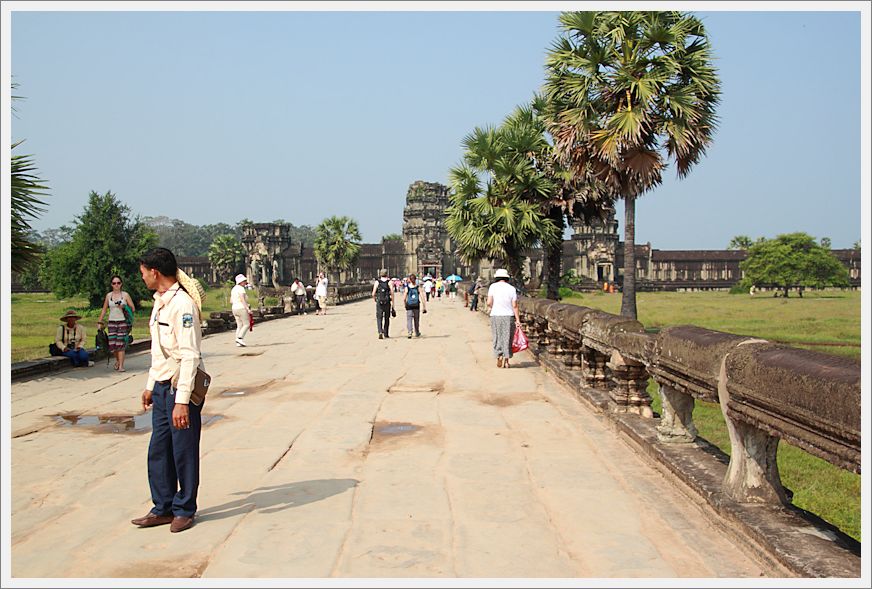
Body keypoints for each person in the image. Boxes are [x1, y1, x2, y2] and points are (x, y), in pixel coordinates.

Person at [131, 247, 205, 534]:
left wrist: (182, 402)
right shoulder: (160, 302)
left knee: (183, 450)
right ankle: (162, 506)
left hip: (178, 388)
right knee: (159, 449)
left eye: (143, 273)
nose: (142, 278)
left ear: (155, 272)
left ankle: (185, 508)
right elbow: (159, 351)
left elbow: (190, 355)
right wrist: (150, 385)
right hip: (162, 388)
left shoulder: (182, 305)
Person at [97, 275, 136, 371]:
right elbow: (104, 309)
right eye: (114, 283)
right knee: (112, 345)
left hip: (122, 322)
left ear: (121, 284)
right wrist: (100, 321)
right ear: (111, 285)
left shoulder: (125, 295)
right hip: (112, 322)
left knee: (121, 344)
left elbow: (133, 308)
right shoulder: (109, 296)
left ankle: (121, 366)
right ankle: (118, 361)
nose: (116, 285)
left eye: (118, 283)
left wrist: (124, 307)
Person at [487, 268, 522, 368]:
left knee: (497, 337)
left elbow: (489, 302)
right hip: (509, 316)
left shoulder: (493, 287)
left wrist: (492, 306)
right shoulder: (511, 288)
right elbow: (515, 305)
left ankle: (499, 356)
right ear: (507, 278)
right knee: (507, 338)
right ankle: (506, 361)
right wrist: (518, 320)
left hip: (496, 315)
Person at [372, 269, 395, 339]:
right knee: (387, 318)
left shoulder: (377, 282)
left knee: (379, 317)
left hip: (379, 302)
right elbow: (392, 293)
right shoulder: (389, 282)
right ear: (387, 274)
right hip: (387, 302)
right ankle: (386, 333)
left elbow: (373, 293)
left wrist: (375, 299)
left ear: (380, 274)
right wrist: (393, 304)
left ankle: (380, 331)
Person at [231, 274, 252, 347]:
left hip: (234, 308)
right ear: (240, 282)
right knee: (246, 324)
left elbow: (231, 300)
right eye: (244, 281)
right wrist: (247, 308)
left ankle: (237, 340)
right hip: (241, 308)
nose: (245, 282)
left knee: (239, 325)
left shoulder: (234, 289)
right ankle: (240, 338)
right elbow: (242, 299)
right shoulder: (241, 289)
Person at [403, 273, 426, 338]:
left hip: (409, 305)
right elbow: (422, 297)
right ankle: (417, 331)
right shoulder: (418, 287)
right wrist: (424, 306)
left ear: (409, 280)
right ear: (415, 279)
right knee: (416, 319)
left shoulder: (407, 287)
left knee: (409, 319)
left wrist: (405, 305)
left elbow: (404, 298)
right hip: (416, 305)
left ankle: (410, 332)